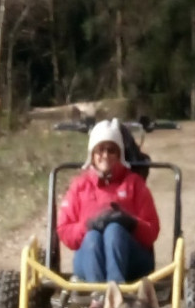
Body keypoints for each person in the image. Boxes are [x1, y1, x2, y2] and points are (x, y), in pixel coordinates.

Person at [57, 119, 160, 288]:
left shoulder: (133, 183)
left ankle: (114, 294)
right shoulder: (80, 185)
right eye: (100, 150)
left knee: (114, 231)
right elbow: (64, 230)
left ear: (120, 154)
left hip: (132, 261)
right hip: (89, 257)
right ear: (92, 154)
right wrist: (89, 225)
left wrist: (131, 222)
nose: (105, 155)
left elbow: (152, 231)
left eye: (111, 150)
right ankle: (98, 295)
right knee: (93, 236)